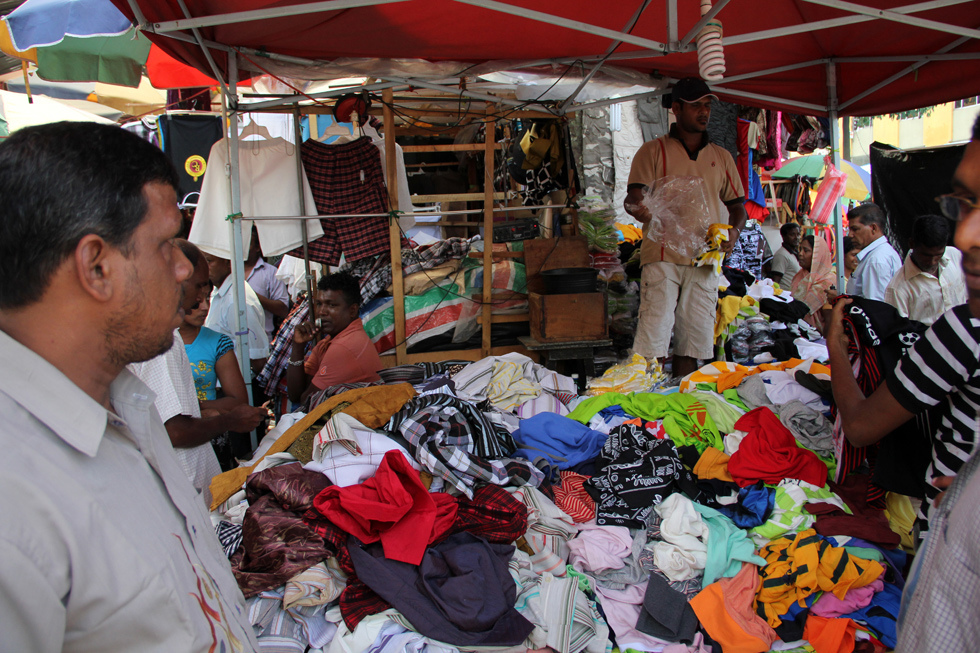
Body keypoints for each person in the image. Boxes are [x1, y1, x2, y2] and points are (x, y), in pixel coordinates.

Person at [0, 122, 258, 651]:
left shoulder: (126, 405)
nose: (186, 267)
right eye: (166, 245)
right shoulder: (16, 501)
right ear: (97, 267)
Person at [825, 115, 980, 651]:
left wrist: (834, 348)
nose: (966, 235)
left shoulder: (964, 332)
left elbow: (863, 427)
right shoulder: (916, 295)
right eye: (965, 205)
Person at [624, 77, 747, 379]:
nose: (704, 112)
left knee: (693, 342)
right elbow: (634, 196)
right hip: (662, 256)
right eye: (696, 106)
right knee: (653, 338)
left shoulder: (722, 157)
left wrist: (734, 231)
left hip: (705, 259)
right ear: (676, 108)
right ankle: (648, 398)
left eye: (707, 106)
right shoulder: (653, 151)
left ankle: (681, 394)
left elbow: (737, 207)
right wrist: (637, 208)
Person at [128, 239, 266, 498]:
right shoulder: (159, 338)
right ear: (178, 278)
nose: (204, 294)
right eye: (200, 284)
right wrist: (229, 420)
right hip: (180, 487)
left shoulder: (165, 331)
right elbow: (175, 431)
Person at [287, 271, 383, 405]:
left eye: (331, 305)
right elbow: (295, 395)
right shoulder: (327, 343)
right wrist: (297, 346)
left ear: (352, 311)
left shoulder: (344, 346)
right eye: (319, 304)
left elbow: (305, 402)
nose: (322, 312)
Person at [884, 214, 966, 325]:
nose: (932, 261)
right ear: (911, 244)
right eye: (926, 255)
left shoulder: (955, 256)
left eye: (938, 255)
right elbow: (898, 330)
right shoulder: (898, 288)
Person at [204, 251, 271, 375]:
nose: (204, 266)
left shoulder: (237, 302)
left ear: (228, 263)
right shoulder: (219, 292)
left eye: (209, 261)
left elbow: (256, 358)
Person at [844, 203, 902, 301]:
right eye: (850, 229)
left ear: (873, 228)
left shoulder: (876, 260)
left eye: (855, 229)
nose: (850, 235)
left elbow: (875, 306)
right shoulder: (880, 254)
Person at [244, 227, 290, 341]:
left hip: (260, 342)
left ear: (257, 247)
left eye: (247, 243)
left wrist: (252, 297)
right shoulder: (229, 272)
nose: (242, 247)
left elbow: (283, 309)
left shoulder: (271, 273)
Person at [790, 234, 835, 331]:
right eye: (800, 249)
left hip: (818, 335)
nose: (800, 253)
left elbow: (829, 319)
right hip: (795, 329)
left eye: (806, 250)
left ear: (817, 255)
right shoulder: (800, 275)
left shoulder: (828, 281)